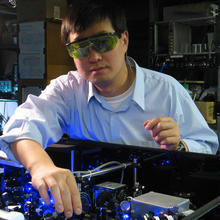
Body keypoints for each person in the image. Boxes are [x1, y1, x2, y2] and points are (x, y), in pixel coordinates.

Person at [0, 0, 218, 218]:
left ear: (124, 40)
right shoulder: (67, 90)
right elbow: (21, 128)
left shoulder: (166, 90)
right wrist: (41, 167)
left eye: (103, 42)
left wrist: (180, 146)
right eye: (81, 48)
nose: (93, 56)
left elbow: (208, 146)